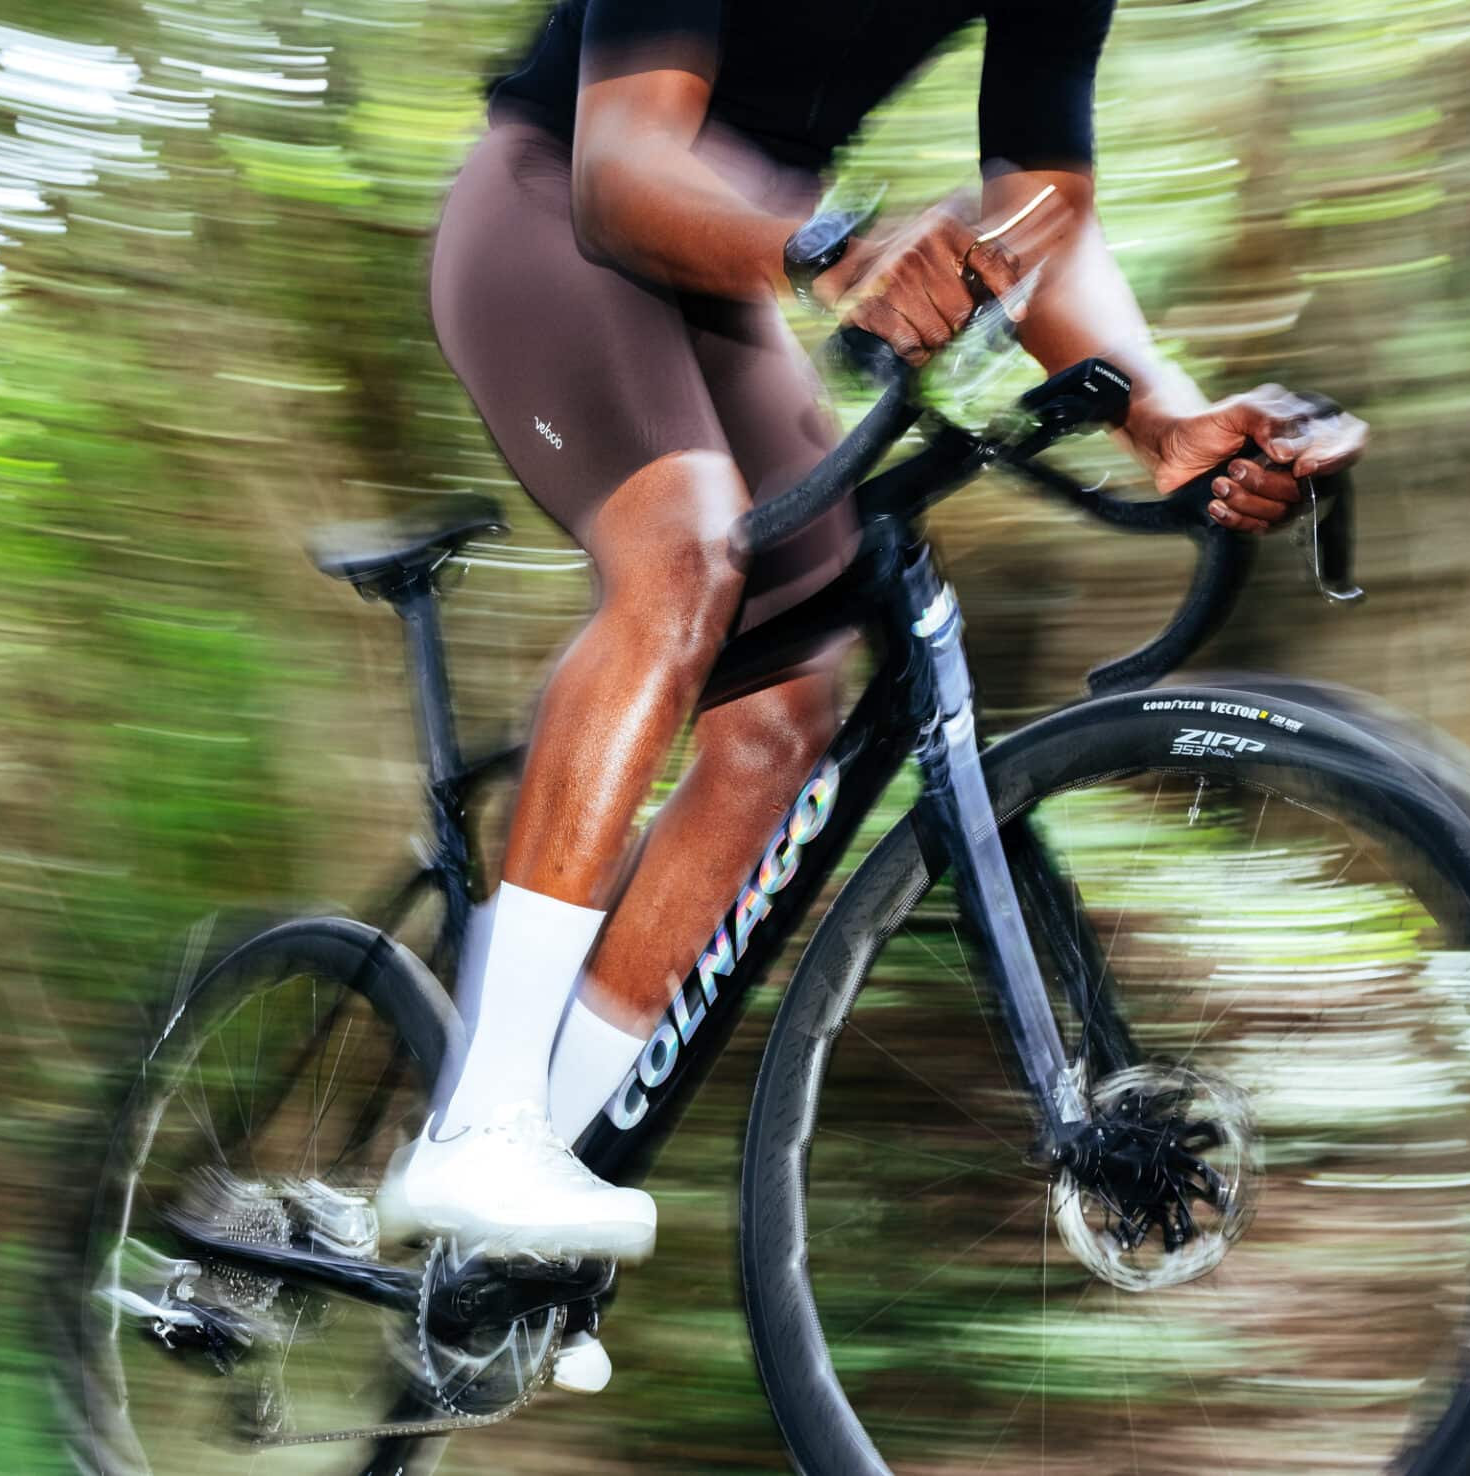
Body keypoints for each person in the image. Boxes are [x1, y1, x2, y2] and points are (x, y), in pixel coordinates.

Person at [378, 0, 1369, 1389]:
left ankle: (535, 1181)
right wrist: (834, 248)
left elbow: (1043, 213)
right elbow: (622, 165)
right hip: (558, 208)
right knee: (684, 555)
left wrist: (1160, 412)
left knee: (785, 715)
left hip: (738, 269)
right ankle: (482, 1125)